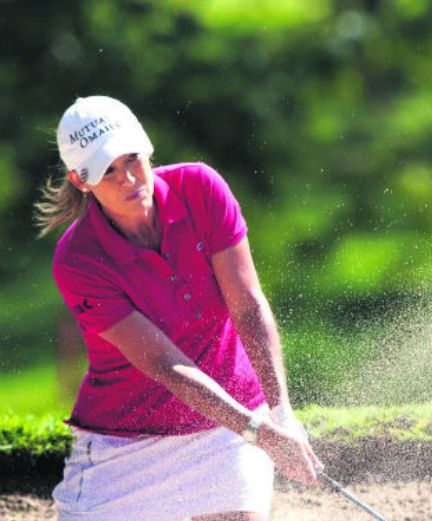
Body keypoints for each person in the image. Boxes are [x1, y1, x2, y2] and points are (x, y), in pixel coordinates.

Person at [34, 95, 323, 521]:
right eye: (107, 171)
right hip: (127, 444)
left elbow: (247, 308)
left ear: (146, 146)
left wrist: (279, 415)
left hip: (229, 425)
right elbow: (165, 364)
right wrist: (259, 432)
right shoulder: (78, 259)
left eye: (132, 158)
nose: (128, 178)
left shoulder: (201, 188)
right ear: (80, 180)